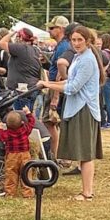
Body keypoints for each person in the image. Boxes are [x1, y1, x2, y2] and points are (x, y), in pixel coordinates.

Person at [38, 24, 104, 200]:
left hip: (84, 110)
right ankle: (86, 191)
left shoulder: (87, 60)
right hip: (76, 108)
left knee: (86, 154)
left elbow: (73, 87)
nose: (76, 43)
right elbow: (68, 81)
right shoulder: (78, 57)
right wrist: (49, 84)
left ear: (88, 41)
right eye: (73, 40)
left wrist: (48, 84)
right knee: (82, 153)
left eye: (79, 40)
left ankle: (87, 193)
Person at [44, 16, 73, 154]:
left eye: (52, 28)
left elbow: (60, 73)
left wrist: (55, 96)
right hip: (57, 87)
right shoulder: (61, 45)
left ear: (61, 29)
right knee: (52, 122)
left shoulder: (63, 46)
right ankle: (57, 154)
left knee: (51, 122)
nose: (49, 31)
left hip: (57, 88)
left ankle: (57, 154)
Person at [0, 27, 44, 115]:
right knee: (28, 117)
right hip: (32, 88)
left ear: (20, 38)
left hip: (21, 91)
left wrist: (12, 32)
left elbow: (1, 43)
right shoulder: (34, 49)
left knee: (21, 119)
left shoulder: (22, 48)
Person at [0, 107, 36, 198]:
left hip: (12, 156)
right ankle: (28, 193)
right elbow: (32, 122)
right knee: (26, 174)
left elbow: (1, 137)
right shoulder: (25, 130)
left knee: (11, 174)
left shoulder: (7, 133)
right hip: (25, 155)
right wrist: (28, 113)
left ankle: (10, 193)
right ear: (22, 122)